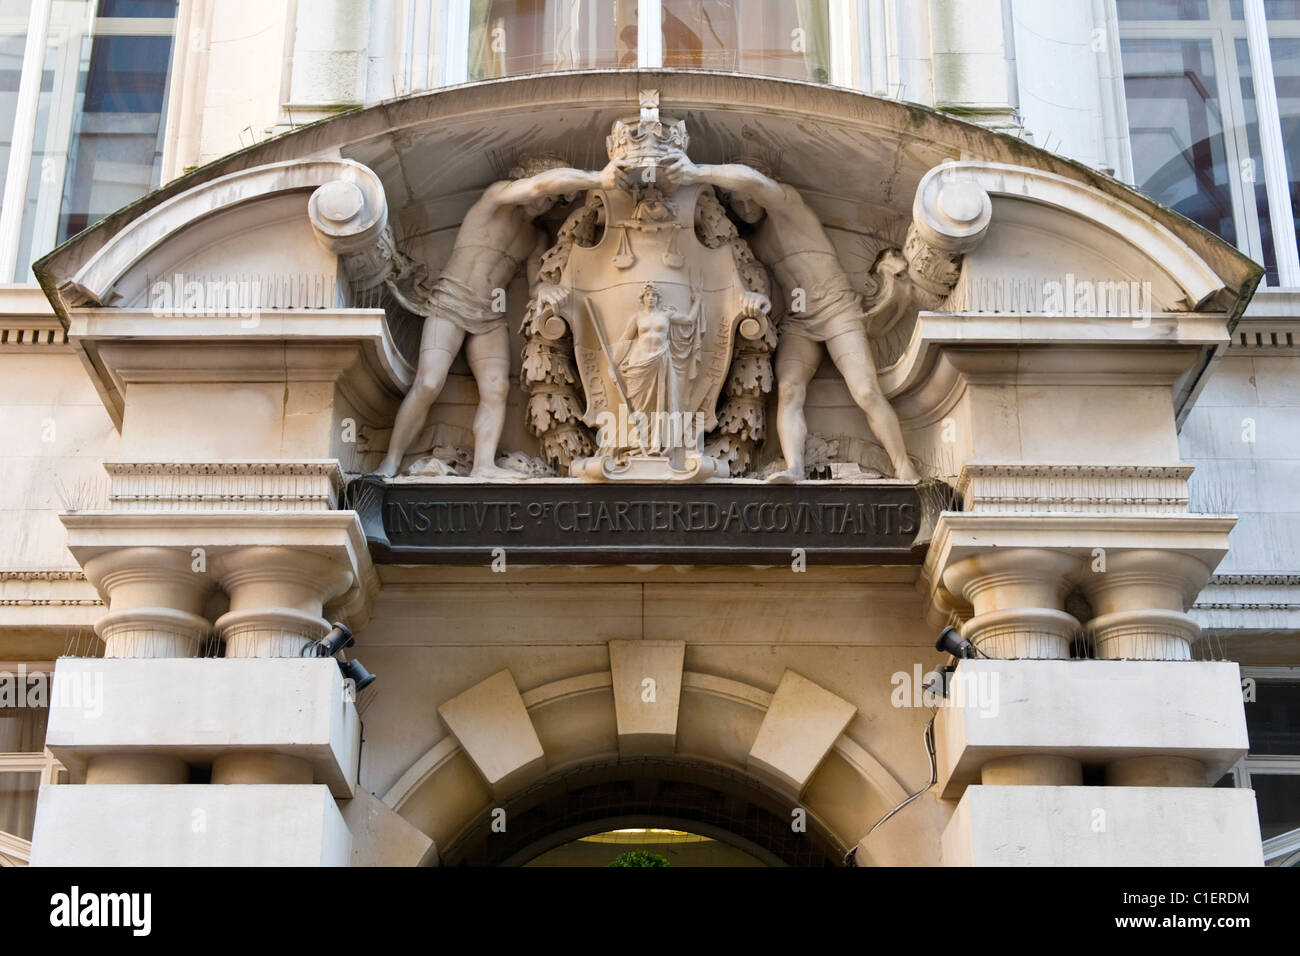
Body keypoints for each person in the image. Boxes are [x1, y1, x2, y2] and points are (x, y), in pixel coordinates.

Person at [664, 156, 920, 482]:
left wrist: (697, 172)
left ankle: (904, 467)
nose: (744, 205)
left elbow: (753, 182)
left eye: (746, 196)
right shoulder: (754, 240)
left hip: (837, 310)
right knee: (788, 391)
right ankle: (794, 467)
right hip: (800, 321)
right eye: (736, 202)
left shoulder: (788, 206)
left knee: (866, 391)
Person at [376, 156, 626, 478]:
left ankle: (484, 466)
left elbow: (535, 283)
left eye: (552, 200)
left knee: (496, 389)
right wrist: (598, 178)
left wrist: (544, 291)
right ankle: (390, 462)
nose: (545, 201)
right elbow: (538, 184)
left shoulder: (535, 238)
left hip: (490, 316)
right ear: (524, 181)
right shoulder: (496, 199)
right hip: (451, 302)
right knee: (428, 382)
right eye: (544, 193)